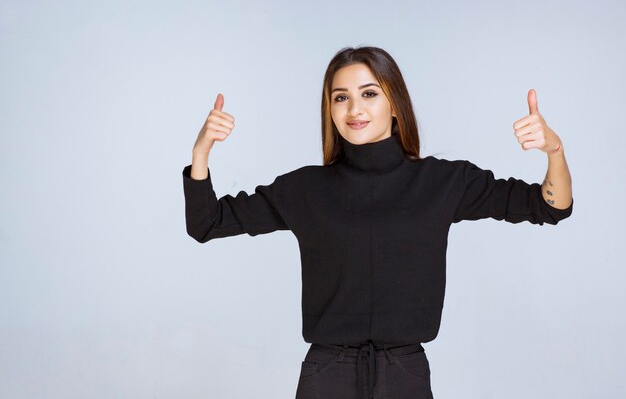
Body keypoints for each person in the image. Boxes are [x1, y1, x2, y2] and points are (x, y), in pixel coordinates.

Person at [181, 46, 574, 399]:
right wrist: (201, 154)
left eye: (369, 93)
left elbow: (549, 206)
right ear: (329, 110)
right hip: (325, 376)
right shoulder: (304, 189)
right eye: (341, 98)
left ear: (395, 103)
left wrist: (553, 149)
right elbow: (207, 223)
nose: (354, 109)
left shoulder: (444, 182)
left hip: (404, 374)